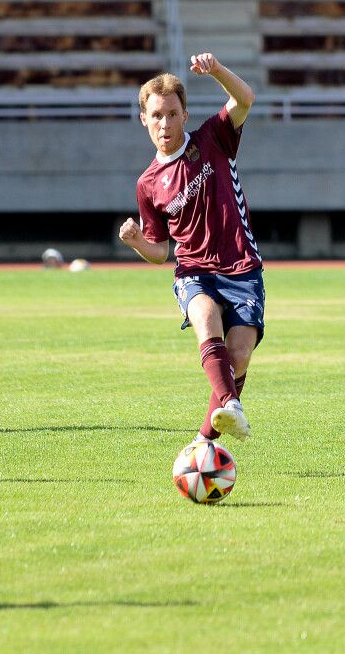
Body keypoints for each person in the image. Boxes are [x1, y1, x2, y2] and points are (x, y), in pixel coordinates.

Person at [118, 53, 261, 449]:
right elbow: (161, 250)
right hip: (194, 271)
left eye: (172, 114)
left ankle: (203, 442)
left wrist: (216, 71)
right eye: (156, 115)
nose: (165, 124)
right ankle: (231, 403)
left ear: (185, 114)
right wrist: (137, 243)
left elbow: (245, 98)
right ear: (144, 119)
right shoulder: (147, 184)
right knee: (204, 316)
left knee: (239, 356)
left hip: (241, 265)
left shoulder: (213, 138)